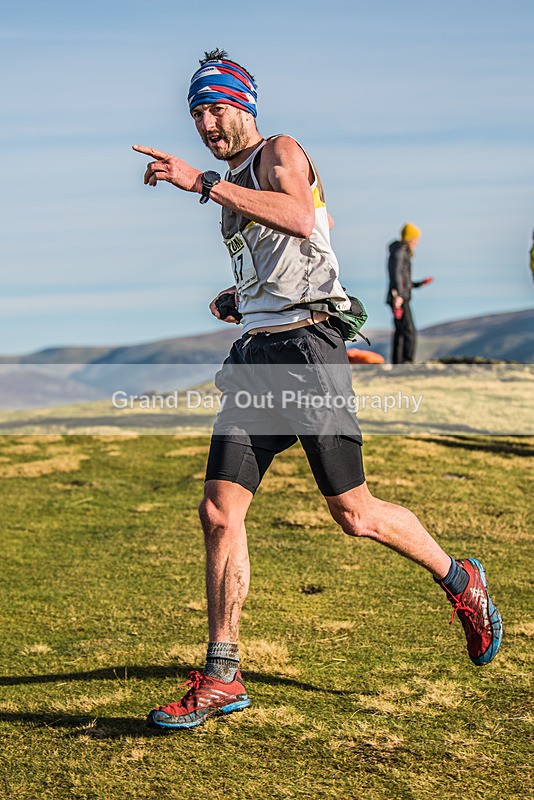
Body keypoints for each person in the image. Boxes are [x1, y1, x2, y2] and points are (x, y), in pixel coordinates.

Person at [133, 50, 502, 731]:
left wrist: (203, 183)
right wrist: (241, 300)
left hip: (309, 352)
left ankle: (460, 580)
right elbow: (284, 259)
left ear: (245, 105)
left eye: (217, 109)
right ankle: (222, 675)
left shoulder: (279, 150)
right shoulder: (232, 192)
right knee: (219, 511)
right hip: (257, 356)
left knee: (354, 514)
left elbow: (300, 217)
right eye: (197, 114)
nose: (208, 125)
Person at [386, 224, 432, 364]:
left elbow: (403, 278)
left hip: (399, 296)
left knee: (401, 332)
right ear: (410, 238)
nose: (417, 241)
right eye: (416, 238)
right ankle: (407, 361)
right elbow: (395, 274)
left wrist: (417, 284)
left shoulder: (401, 251)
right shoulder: (400, 251)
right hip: (399, 298)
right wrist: (398, 295)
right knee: (409, 331)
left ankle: (398, 363)